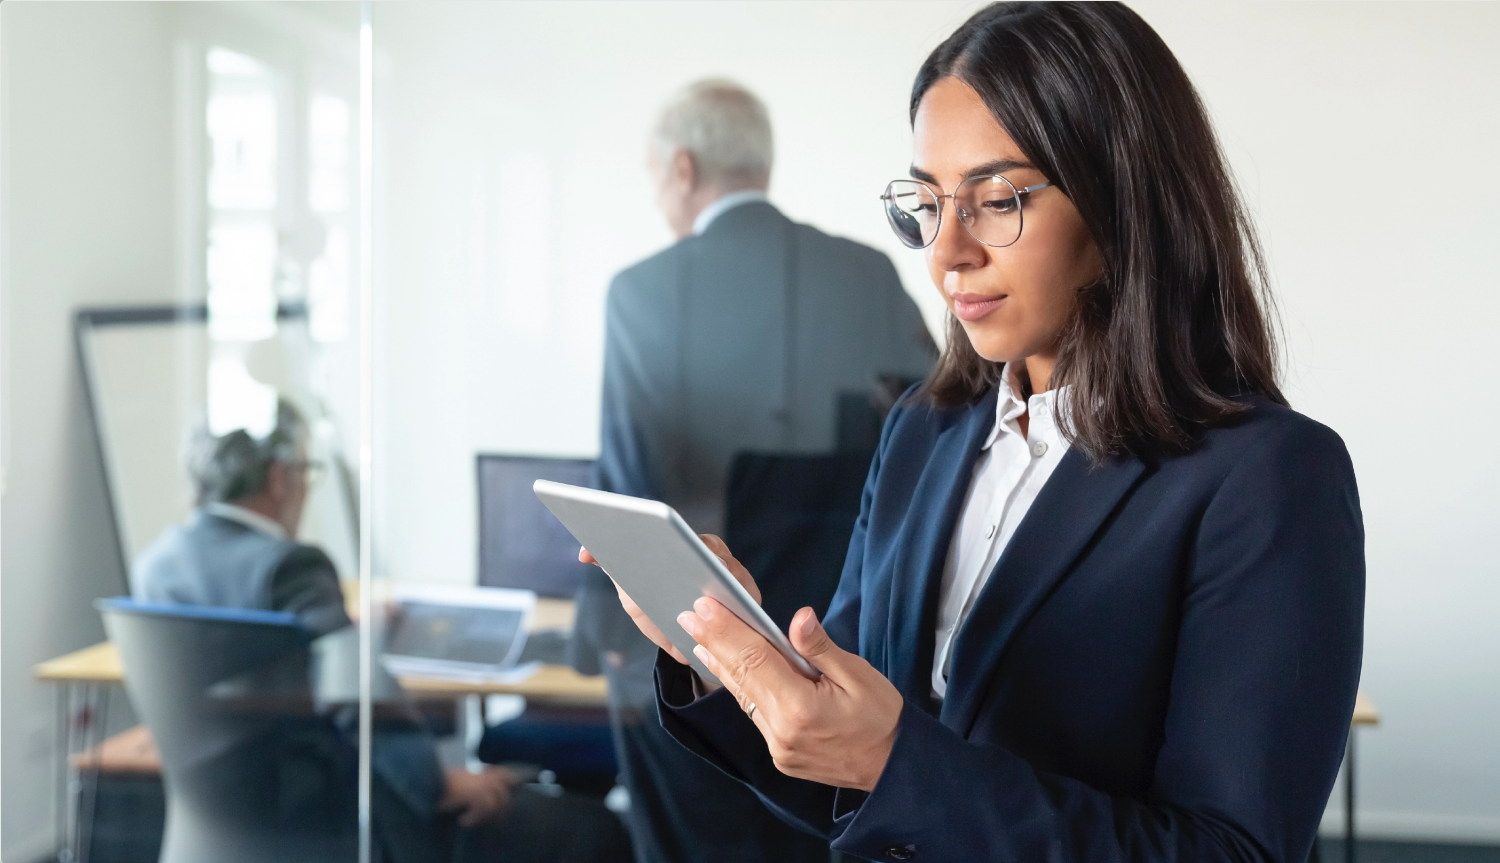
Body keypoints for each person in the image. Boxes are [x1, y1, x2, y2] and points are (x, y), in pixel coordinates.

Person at [590, 5, 1365, 863]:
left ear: (1120, 204)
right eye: (927, 202)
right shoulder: (923, 434)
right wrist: (729, 658)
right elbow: (846, 785)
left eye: (996, 200)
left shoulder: (1267, 477)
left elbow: (1233, 852)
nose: (947, 250)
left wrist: (894, 762)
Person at [572, 79, 935, 862]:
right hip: (843, 665)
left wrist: (597, 636)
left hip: (693, 664)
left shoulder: (641, 294)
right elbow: (931, 449)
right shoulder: (868, 274)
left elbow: (628, 483)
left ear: (681, 168)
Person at [133, 400, 630, 863]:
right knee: (597, 829)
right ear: (280, 478)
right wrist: (437, 784)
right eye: (306, 471)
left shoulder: (157, 564)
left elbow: (256, 667)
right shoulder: (292, 567)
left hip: (222, 828)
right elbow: (357, 700)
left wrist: (345, 630)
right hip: (342, 827)